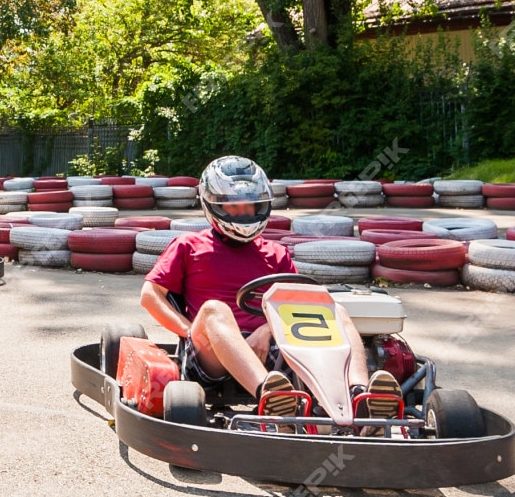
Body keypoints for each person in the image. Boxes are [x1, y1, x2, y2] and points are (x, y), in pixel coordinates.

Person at [138, 155, 398, 419]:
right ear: (213, 205)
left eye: (250, 206)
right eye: (234, 207)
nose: (244, 213)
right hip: (210, 354)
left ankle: (358, 396)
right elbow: (150, 296)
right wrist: (191, 330)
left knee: (335, 310)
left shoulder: (276, 253)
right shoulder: (189, 246)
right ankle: (270, 398)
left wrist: (265, 331)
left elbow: (299, 307)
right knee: (215, 309)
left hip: (272, 348)